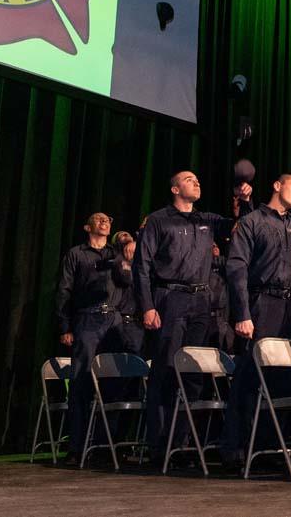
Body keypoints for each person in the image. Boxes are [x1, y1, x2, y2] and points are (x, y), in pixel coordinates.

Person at [133, 171, 250, 458]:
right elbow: (142, 266)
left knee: (193, 374)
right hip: (169, 298)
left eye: (198, 179)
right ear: (174, 188)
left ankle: (182, 443)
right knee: (167, 369)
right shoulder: (159, 220)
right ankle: (160, 445)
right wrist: (147, 306)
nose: (196, 181)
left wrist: (244, 201)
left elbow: (240, 226)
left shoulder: (206, 220)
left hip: (201, 302)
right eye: (188, 179)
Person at [221, 173, 291, 466]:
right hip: (261, 302)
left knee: (284, 379)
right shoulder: (252, 221)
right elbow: (236, 269)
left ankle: (270, 448)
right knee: (249, 376)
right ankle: (235, 449)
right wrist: (242, 313)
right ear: (276, 184)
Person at [55, 213, 126, 462]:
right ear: (88, 226)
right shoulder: (77, 254)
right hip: (87, 319)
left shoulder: (115, 254)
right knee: (81, 381)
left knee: (114, 383)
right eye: (98, 219)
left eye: (108, 219)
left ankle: (107, 446)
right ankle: (77, 447)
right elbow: (65, 290)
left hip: (113, 321)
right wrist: (66, 326)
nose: (105, 221)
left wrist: (124, 264)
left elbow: (127, 282)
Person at [109, 231, 144, 356]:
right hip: (122, 321)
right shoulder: (116, 261)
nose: (124, 234)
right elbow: (126, 278)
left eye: (127, 234)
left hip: (139, 323)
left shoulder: (141, 261)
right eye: (119, 235)